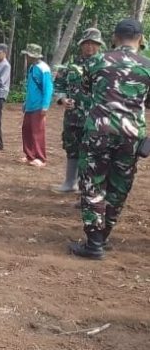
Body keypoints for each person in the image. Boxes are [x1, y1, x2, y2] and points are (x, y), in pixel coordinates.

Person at [71, 19, 150, 260]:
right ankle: (103, 237)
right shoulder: (147, 66)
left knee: (94, 184)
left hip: (99, 132)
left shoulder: (97, 61)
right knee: (119, 186)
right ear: (141, 39)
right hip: (130, 136)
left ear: (114, 37)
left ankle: (94, 242)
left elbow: (85, 93)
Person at [52, 28, 104, 193]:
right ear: (81, 45)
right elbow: (59, 84)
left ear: (99, 45)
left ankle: (87, 187)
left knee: (92, 153)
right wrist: (62, 99)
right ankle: (69, 183)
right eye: (86, 43)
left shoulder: (105, 64)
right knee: (72, 148)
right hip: (73, 117)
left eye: (94, 44)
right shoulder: (72, 64)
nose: (90, 47)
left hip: (95, 119)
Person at [19, 43, 53, 167]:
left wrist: (45, 105)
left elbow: (48, 88)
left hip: (38, 105)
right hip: (30, 105)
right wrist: (26, 102)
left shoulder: (44, 69)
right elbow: (30, 88)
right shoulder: (32, 68)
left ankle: (40, 157)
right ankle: (29, 155)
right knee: (26, 129)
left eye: (28, 55)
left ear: (33, 56)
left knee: (37, 131)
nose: (26, 58)